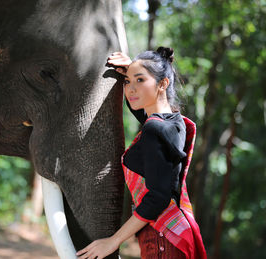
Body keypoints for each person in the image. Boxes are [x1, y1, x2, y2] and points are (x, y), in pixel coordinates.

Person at [76, 47, 207, 259]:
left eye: (139, 80)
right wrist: (134, 70)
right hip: (175, 234)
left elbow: (158, 197)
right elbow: (146, 118)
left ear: (163, 84)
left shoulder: (155, 129)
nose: (130, 89)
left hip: (162, 238)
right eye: (127, 82)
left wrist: (113, 242)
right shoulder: (174, 123)